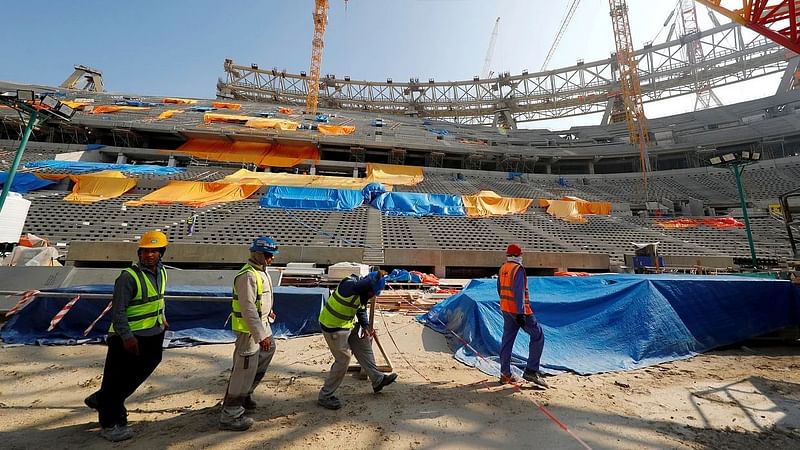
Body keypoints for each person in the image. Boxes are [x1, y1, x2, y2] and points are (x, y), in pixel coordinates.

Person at [84, 231, 170, 442]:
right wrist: (127, 337)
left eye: (154, 251)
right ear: (140, 252)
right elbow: (118, 311)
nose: (149, 255)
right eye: (146, 251)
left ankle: (102, 399)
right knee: (116, 380)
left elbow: (157, 299)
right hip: (129, 337)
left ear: (161, 254)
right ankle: (110, 422)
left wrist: (163, 318)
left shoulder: (161, 272)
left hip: (153, 332)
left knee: (146, 365)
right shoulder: (127, 277)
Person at [219, 236, 279, 431]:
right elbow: (248, 309)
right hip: (249, 330)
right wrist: (261, 336)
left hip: (262, 323)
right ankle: (231, 413)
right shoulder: (247, 276)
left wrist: (268, 311)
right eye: (268, 255)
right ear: (257, 254)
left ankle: (245, 394)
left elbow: (261, 299)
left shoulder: (261, 271)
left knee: (266, 354)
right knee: (243, 370)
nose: (271, 259)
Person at [318, 270, 398, 410]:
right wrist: (377, 277)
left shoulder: (362, 294)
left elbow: (360, 310)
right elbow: (359, 287)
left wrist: (365, 326)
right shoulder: (349, 285)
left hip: (346, 324)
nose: (371, 296)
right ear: (368, 286)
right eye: (371, 293)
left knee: (363, 344)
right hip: (333, 327)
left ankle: (377, 379)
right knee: (343, 359)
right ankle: (325, 395)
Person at [497, 244, 549, 388]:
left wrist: (507, 307)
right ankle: (531, 370)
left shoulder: (503, 268)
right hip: (521, 312)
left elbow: (500, 289)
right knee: (538, 336)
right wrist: (520, 313)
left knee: (507, 341)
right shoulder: (517, 269)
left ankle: (505, 374)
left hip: (506, 309)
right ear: (518, 255)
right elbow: (519, 292)